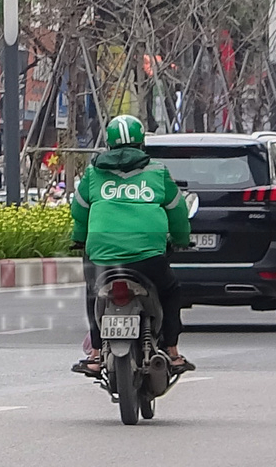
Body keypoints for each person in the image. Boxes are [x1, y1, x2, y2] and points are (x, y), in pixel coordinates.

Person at [70, 114, 194, 376]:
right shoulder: (157, 173)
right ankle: (172, 351)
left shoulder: (93, 173)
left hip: (102, 257)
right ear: (142, 144)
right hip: (148, 258)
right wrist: (182, 240)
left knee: (94, 294)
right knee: (171, 291)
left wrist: (79, 239)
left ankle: (94, 354)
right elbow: (178, 213)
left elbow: (79, 212)